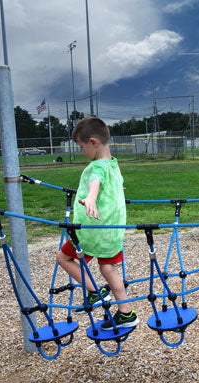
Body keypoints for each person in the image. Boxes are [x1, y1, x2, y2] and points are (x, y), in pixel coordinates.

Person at [56, 117, 138, 330]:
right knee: (107, 268)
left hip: (92, 231)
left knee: (63, 257)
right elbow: (110, 183)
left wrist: (91, 197)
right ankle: (126, 313)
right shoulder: (113, 163)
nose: (81, 151)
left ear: (93, 142)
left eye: (81, 146)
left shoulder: (97, 167)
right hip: (113, 232)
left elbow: (95, 182)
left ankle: (95, 292)